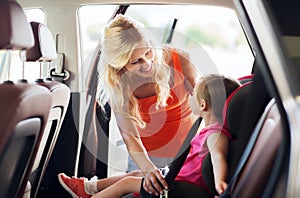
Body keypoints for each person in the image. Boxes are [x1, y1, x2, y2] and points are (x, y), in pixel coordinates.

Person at [58, 74, 241, 198]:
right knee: (137, 173)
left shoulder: (215, 133)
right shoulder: (206, 128)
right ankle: (88, 188)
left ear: (202, 105)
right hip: (176, 178)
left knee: (129, 182)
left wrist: (221, 184)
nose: (189, 96)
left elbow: (218, 156)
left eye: (192, 95)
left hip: (179, 186)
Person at [96, 14, 199, 195]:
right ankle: (88, 187)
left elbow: (202, 101)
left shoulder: (179, 60)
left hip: (187, 151)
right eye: (136, 61)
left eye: (148, 52)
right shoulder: (119, 84)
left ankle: (88, 187)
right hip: (144, 157)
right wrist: (148, 169)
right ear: (119, 65)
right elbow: (131, 138)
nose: (147, 63)